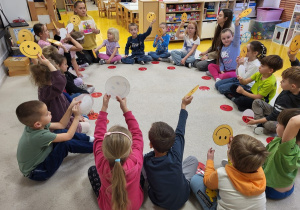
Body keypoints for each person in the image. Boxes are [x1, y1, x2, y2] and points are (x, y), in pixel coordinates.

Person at [88, 94, 144, 210]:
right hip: (135, 205)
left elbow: (98, 136)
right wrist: (125, 109)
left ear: (104, 149)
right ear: (130, 149)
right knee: (142, 172)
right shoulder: (135, 159)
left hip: (108, 207)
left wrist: (104, 107)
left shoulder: (101, 161)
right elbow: (137, 134)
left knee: (92, 171)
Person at [16, 99, 94, 181]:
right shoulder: (39, 136)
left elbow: (61, 125)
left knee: (59, 131)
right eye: (46, 114)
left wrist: (70, 108)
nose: (49, 112)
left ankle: (89, 139)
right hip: (38, 172)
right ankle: (97, 147)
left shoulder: (34, 125)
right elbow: (68, 136)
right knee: (65, 144)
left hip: (42, 155)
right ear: (38, 124)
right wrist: (77, 117)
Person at [143, 96, 198, 209]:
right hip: (184, 196)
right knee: (193, 159)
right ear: (173, 143)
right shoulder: (176, 153)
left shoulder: (147, 160)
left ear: (151, 145)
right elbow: (180, 130)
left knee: (142, 170)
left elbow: (137, 154)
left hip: (159, 202)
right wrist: (183, 105)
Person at [190, 135, 268, 210]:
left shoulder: (222, 174)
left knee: (195, 179)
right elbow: (237, 165)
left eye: (229, 149)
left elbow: (207, 182)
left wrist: (210, 161)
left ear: (232, 159)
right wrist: (234, 149)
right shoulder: (260, 172)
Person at [30, 54, 89, 133]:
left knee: (84, 118)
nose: (60, 74)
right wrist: (48, 64)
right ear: (53, 76)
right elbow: (61, 81)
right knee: (87, 125)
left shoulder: (50, 88)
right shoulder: (48, 91)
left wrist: (74, 116)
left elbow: (65, 103)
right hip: (60, 123)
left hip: (65, 116)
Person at [249, 67, 300, 135]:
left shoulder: (285, 99)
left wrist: (255, 121)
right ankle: (261, 122)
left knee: (268, 124)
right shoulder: (293, 89)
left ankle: (262, 125)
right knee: (257, 102)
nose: (281, 81)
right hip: (277, 111)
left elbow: (273, 116)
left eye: (283, 81)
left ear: (293, 86)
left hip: (283, 121)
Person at [263, 108, 300, 199]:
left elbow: (294, 122)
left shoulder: (286, 149)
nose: (276, 125)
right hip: (289, 187)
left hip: (272, 190)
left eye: (279, 123)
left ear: (288, 130)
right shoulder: (291, 146)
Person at [207, 16, 241, 82]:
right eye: (223, 38)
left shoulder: (235, 45)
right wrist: (222, 69)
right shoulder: (222, 48)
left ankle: (216, 75)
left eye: (228, 37)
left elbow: (237, 35)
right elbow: (221, 61)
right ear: (221, 39)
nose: (226, 40)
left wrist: (237, 23)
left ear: (232, 37)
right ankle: (217, 77)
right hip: (225, 69)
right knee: (210, 66)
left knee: (226, 76)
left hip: (234, 71)